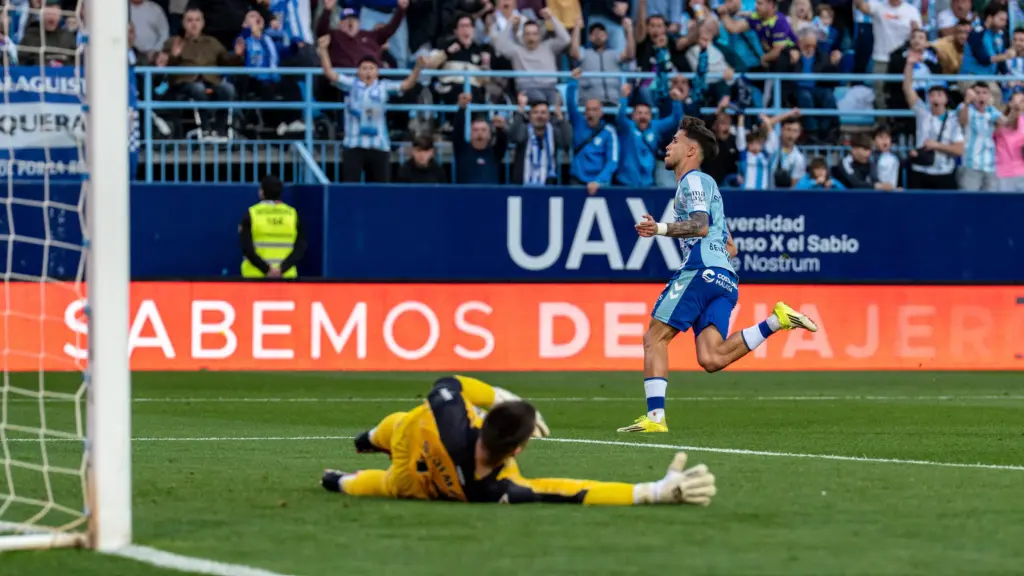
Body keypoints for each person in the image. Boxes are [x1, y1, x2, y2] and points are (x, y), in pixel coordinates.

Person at [619, 117, 818, 433]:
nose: (668, 146)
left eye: (674, 140)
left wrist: (659, 228)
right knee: (711, 358)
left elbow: (699, 225)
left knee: (653, 337)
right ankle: (776, 321)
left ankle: (655, 419)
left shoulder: (693, 181)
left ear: (691, 149)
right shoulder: (710, 188)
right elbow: (731, 246)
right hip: (725, 279)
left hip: (701, 270)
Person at [322, 375, 718, 506]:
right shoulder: (500, 487)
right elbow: (574, 491)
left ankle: (369, 439)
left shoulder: (452, 420)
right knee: (383, 485)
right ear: (517, 450)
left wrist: (499, 396)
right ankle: (336, 480)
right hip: (420, 486)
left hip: (418, 437)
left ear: (485, 421)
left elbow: (448, 384)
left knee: (396, 425)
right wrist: (652, 491)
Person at [317, 36, 424, 183]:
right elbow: (330, 73)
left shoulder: (384, 86)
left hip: (379, 145)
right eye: (364, 68)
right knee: (351, 189)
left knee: (380, 191)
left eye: (371, 68)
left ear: (377, 72)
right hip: (354, 144)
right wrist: (323, 50)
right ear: (358, 71)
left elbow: (406, 85)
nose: (368, 72)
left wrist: (417, 68)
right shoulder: (350, 84)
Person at [904, 52, 964, 190]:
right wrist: (909, 65)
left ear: (946, 99)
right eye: (931, 95)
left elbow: (959, 150)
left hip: (944, 173)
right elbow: (907, 88)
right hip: (920, 170)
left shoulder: (953, 119)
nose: (935, 98)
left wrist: (936, 146)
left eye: (939, 95)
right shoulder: (922, 112)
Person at [615, 82, 683, 188]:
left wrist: (676, 101)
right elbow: (620, 118)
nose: (643, 116)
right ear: (633, 116)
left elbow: (675, 120)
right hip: (626, 183)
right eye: (639, 113)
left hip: (647, 184)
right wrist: (623, 98)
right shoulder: (628, 127)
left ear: (651, 116)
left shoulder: (655, 126)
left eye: (646, 113)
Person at [239, 175, 306, 279]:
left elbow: (247, 248)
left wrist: (267, 270)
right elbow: (300, 247)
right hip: (286, 276)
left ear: (262, 192)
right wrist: (282, 269)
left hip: (255, 276)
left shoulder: (252, 214)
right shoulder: (292, 214)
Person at [566, 69, 619, 194]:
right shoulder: (578, 122)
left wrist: (598, 181)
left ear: (601, 112)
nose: (591, 113)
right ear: (584, 112)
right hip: (576, 181)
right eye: (588, 110)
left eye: (595, 110)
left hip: (600, 183)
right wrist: (573, 82)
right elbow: (570, 104)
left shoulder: (609, 131)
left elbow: (612, 161)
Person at [508, 93, 572, 185]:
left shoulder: (553, 132)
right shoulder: (524, 130)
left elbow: (566, 141)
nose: (539, 116)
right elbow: (512, 135)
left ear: (549, 116)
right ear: (530, 115)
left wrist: (561, 118)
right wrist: (520, 112)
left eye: (543, 112)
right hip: (523, 184)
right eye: (535, 112)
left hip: (548, 184)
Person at [957, 83, 1004, 191]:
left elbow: (1005, 123)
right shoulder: (964, 107)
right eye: (977, 93)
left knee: (990, 203)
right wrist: (967, 101)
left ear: (989, 96)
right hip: (970, 164)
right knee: (969, 203)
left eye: (984, 93)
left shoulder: (991, 110)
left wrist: (991, 106)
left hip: (991, 165)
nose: (981, 96)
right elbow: (962, 121)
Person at [453, 92, 508, 185]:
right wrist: (462, 109)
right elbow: (457, 130)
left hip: (490, 197)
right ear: (470, 133)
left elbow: (503, 141)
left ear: (490, 134)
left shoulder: (495, 153)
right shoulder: (461, 150)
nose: (479, 133)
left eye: (483, 130)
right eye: (475, 130)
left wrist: (500, 128)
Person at [995, 91, 1024, 192]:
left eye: (1022, 101)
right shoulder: (999, 119)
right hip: (1003, 173)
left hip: (1022, 173)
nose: (1019, 104)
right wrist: (1014, 111)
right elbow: (1008, 124)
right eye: (1016, 100)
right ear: (1010, 103)